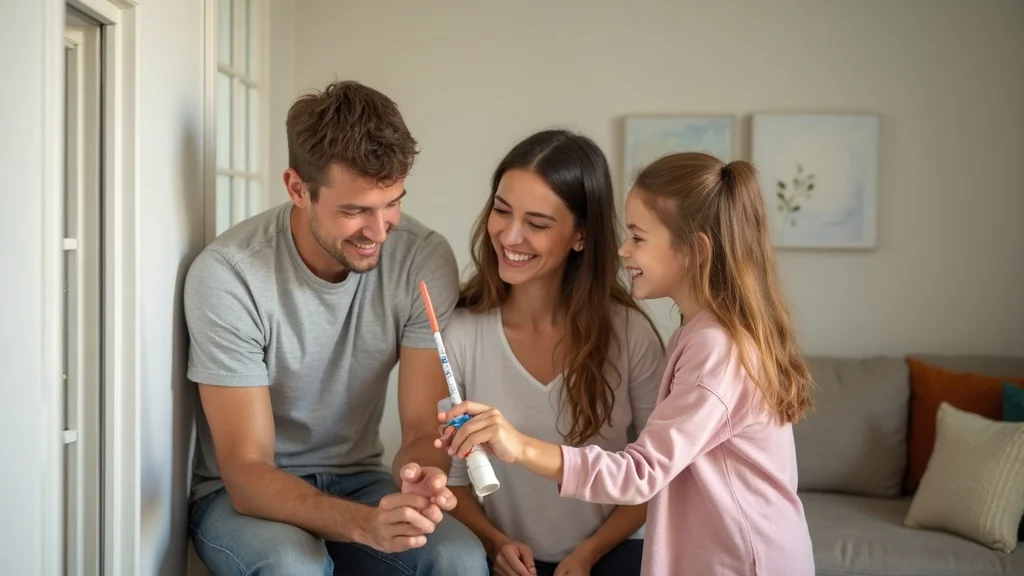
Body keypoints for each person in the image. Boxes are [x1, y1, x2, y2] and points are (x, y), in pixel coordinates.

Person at [436, 152, 817, 576]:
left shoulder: (717, 349)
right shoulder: (696, 335)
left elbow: (641, 472)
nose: (622, 249)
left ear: (694, 250)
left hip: (745, 562)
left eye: (638, 237)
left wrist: (519, 445)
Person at [184, 80, 488, 575]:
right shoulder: (228, 275)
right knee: (292, 565)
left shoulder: (422, 258)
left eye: (391, 202)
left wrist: (421, 478)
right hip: (243, 496)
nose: (379, 230)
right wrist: (364, 526)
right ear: (297, 188)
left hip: (359, 477)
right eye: (354, 211)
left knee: (459, 557)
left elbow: (417, 427)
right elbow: (246, 471)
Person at [435, 129, 666, 576]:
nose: (510, 235)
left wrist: (588, 554)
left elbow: (655, 474)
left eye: (537, 224)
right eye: (501, 211)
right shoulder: (460, 334)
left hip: (610, 556)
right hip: (503, 560)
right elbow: (456, 478)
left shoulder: (629, 335)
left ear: (580, 236)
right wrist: (494, 543)